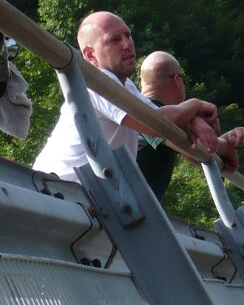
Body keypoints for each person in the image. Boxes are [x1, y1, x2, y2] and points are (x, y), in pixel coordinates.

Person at [33, 12, 231, 183]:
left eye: (128, 36)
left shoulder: (125, 86)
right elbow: (154, 125)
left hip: (77, 195)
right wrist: (195, 105)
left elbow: (162, 119)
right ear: (90, 55)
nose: (127, 45)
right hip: (56, 192)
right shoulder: (96, 82)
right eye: (114, 40)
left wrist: (194, 120)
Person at [138, 51, 244, 199]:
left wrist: (226, 140)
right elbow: (199, 149)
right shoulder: (148, 114)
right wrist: (225, 146)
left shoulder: (137, 109)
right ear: (178, 80)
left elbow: (200, 154)